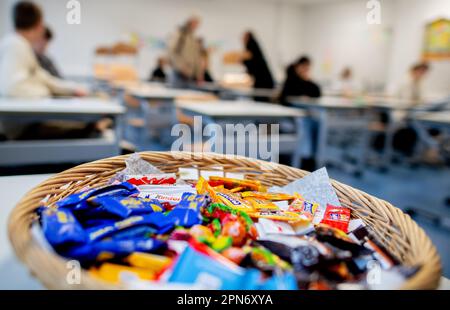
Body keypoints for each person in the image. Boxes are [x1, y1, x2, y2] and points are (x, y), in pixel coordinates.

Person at [0, 1, 85, 98]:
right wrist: (46, 91)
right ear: (39, 24)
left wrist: (73, 88)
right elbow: (11, 89)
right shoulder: (14, 45)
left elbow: (42, 77)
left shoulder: (22, 45)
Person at [168, 16, 203, 87]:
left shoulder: (193, 38)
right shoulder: (180, 35)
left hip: (189, 75)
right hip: (179, 74)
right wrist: (181, 67)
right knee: (179, 96)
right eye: (195, 23)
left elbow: (196, 57)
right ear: (189, 22)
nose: (197, 26)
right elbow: (172, 52)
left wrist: (199, 74)